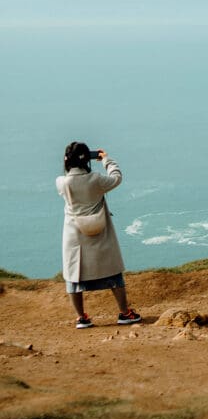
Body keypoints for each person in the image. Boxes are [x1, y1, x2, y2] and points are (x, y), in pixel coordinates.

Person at [56, 141, 141, 329]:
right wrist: (106, 160)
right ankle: (125, 313)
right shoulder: (96, 180)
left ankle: (82, 318)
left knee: (74, 275)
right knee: (112, 271)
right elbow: (116, 178)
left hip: (74, 234)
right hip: (99, 229)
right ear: (87, 159)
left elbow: (71, 179)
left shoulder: (61, 183)